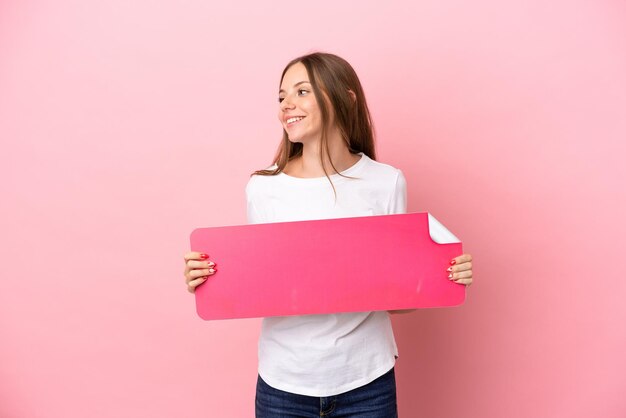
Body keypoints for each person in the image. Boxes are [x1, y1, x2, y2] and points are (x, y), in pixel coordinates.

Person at [183, 52, 474, 417]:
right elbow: (264, 283)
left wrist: (444, 274)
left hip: (367, 380)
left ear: (344, 98)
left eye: (302, 91)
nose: (286, 105)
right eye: (281, 96)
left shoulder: (385, 182)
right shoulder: (262, 187)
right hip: (283, 383)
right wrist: (209, 278)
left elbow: (400, 293)